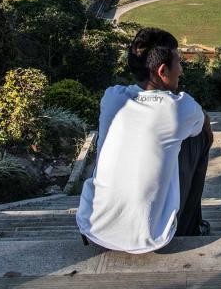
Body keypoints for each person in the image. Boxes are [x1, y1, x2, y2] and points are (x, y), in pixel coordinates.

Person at [76, 27, 214, 253]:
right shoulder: (180, 108)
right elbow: (205, 125)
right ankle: (191, 226)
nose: (181, 70)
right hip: (150, 237)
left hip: (93, 229)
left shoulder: (111, 98)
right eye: (178, 63)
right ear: (162, 71)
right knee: (199, 136)